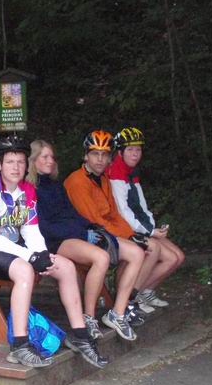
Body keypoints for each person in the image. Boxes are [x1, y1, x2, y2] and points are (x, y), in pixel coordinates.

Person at [0, 135, 108, 369]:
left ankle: (80, 335)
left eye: (21, 162)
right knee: (25, 271)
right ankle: (19, 345)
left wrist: (42, 255)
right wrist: (31, 257)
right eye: (10, 162)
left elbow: (31, 230)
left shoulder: (27, 189)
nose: (16, 167)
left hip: (9, 247)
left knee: (66, 266)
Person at [28, 139, 138, 342]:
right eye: (45, 157)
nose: (50, 161)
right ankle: (89, 317)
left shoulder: (54, 184)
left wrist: (91, 227)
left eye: (52, 157)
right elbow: (44, 227)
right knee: (101, 258)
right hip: (55, 240)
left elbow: (71, 213)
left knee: (136, 253)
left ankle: (118, 313)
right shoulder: (30, 189)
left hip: (74, 234)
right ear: (33, 160)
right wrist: (82, 234)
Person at [63, 130, 157, 321]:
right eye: (95, 154)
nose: (100, 159)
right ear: (86, 156)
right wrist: (127, 237)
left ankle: (120, 307)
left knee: (140, 249)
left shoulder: (103, 179)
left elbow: (113, 213)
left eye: (104, 154)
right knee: (136, 252)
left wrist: (130, 234)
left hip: (105, 230)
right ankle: (119, 311)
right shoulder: (77, 181)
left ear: (109, 158)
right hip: (88, 234)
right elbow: (94, 219)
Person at [107, 127, 185, 308]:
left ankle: (145, 292)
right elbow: (123, 211)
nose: (135, 154)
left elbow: (141, 206)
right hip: (126, 229)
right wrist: (149, 231)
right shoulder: (116, 172)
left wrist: (152, 227)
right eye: (130, 149)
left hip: (140, 228)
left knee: (179, 257)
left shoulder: (131, 171)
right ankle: (131, 298)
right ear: (120, 152)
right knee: (167, 257)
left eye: (138, 149)